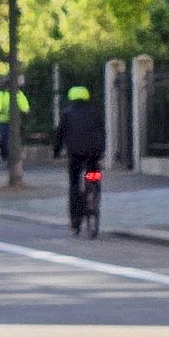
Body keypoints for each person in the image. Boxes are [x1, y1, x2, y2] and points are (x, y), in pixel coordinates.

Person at [52, 84, 107, 233]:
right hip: (94, 153)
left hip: (75, 154)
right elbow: (102, 131)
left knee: (75, 182)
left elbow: (59, 135)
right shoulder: (95, 112)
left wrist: (56, 152)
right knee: (94, 173)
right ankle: (95, 195)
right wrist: (102, 149)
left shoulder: (67, 113)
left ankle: (76, 220)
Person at [0, 80, 31, 160]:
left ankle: (12, 154)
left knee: (12, 137)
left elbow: (24, 106)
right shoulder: (1, 94)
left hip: (14, 121)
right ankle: (4, 155)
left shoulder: (18, 94)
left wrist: (25, 110)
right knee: (4, 138)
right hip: (4, 120)